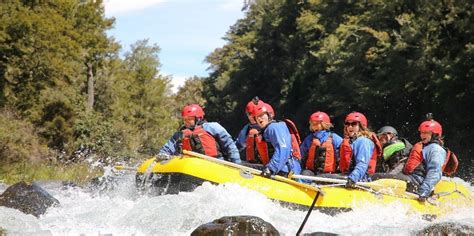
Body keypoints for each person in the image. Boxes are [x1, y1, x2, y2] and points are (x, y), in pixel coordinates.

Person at [158, 104, 241, 163]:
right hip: (192, 166)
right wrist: (162, 155)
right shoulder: (180, 134)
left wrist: (236, 163)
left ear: (198, 118)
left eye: (189, 119)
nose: (186, 122)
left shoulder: (213, 127)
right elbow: (167, 149)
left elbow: (230, 146)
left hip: (216, 163)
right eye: (184, 119)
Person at [402, 117, 458, 202]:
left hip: (418, 183)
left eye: (426, 133)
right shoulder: (426, 147)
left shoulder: (436, 150)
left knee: (377, 177)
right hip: (413, 179)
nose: (422, 135)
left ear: (435, 135)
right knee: (379, 177)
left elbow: (435, 172)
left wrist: (424, 191)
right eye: (421, 132)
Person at [250, 102, 302, 177]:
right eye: (256, 117)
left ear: (269, 115)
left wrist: (270, 169)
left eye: (261, 115)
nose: (259, 118)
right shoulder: (267, 130)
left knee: (241, 167)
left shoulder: (273, 127)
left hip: (284, 170)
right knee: (244, 165)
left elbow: (283, 148)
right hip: (279, 169)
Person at [339, 112, 382, 187]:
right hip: (349, 176)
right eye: (347, 124)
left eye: (354, 124)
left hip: (360, 179)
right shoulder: (351, 141)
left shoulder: (363, 141)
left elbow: (362, 164)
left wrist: (352, 178)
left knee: (323, 178)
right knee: (322, 176)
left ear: (361, 126)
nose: (350, 127)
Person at [299, 111, 343, 176]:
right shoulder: (309, 139)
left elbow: (342, 156)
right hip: (311, 172)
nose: (314, 126)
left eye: (317, 124)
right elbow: (300, 156)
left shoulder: (335, 138)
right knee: (304, 173)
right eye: (312, 124)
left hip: (329, 174)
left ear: (324, 124)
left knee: (324, 176)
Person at [235, 97, 266, 164]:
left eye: (249, 114)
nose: (249, 117)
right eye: (248, 114)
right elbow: (238, 146)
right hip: (252, 164)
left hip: (263, 166)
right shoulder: (246, 129)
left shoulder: (270, 128)